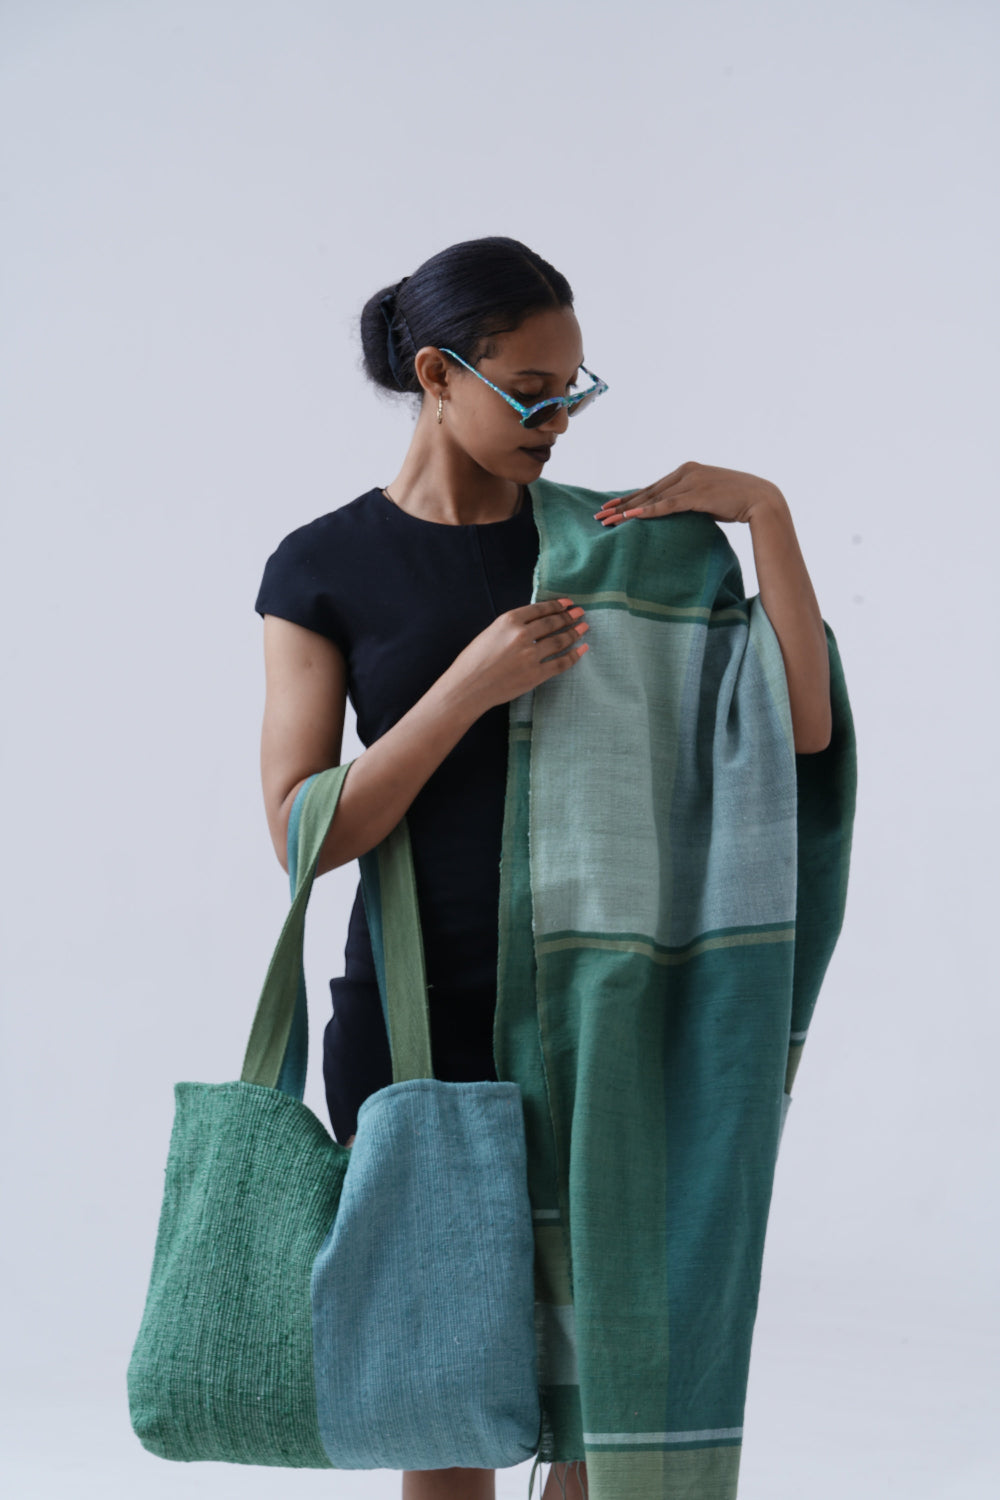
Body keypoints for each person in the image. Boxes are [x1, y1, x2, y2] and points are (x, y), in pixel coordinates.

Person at [254, 235, 832, 1500]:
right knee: (443, 1400)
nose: (558, 420)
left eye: (575, 390)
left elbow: (796, 733)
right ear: (435, 373)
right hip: (419, 1019)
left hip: (606, 1012)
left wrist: (767, 517)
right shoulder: (324, 566)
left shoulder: (616, 546)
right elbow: (307, 831)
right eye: (530, 390)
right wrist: (466, 689)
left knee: (596, 1408)